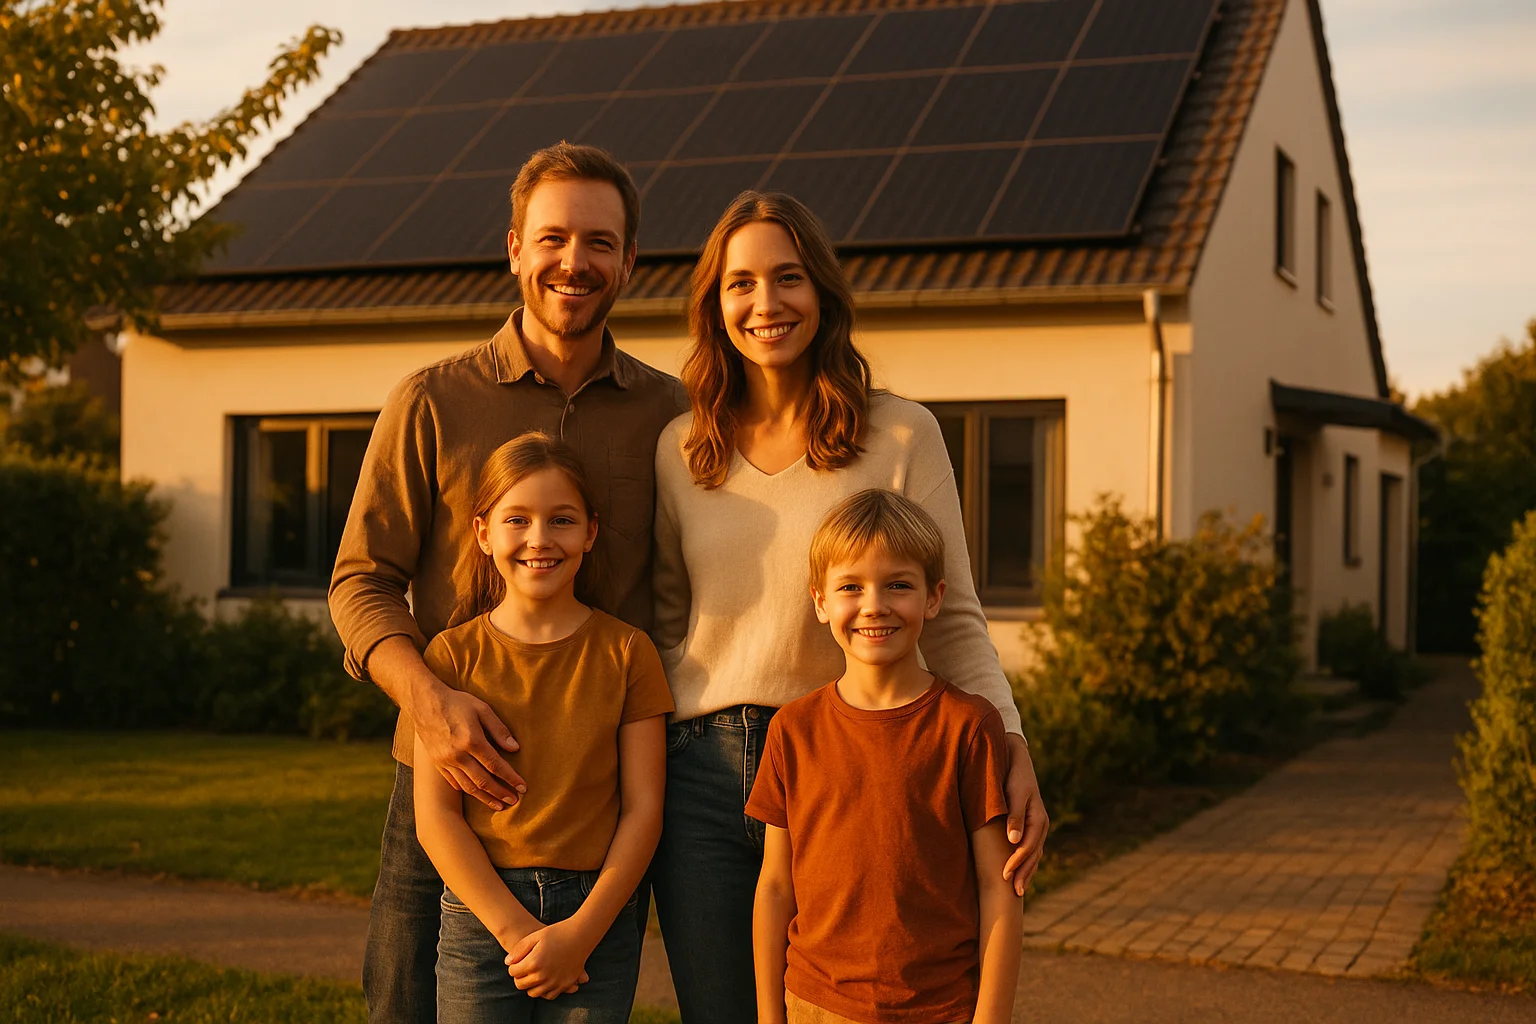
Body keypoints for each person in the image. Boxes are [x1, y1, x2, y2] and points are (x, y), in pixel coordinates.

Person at [650, 191, 1048, 1022]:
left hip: (856, 764)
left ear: (823, 292)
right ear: (714, 303)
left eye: (788, 278)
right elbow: (665, 624)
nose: (766, 304)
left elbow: (958, 613)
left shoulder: (900, 435)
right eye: (741, 283)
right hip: (701, 772)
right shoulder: (682, 447)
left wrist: (1009, 741)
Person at [329, 143, 685, 1024]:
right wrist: (430, 703)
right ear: (515, 249)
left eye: (600, 242)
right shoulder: (433, 401)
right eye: (553, 238)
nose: (576, 262)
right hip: (446, 782)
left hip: (597, 798)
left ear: (629, 261)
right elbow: (359, 580)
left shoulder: (672, 414)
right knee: (406, 1007)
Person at [414, 432, 671, 1023]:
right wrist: (514, 932)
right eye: (517, 519)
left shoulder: (629, 653)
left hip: (596, 918)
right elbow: (435, 818)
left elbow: (644, 811)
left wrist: (578, 936)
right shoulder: (450, 659)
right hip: (481, 919)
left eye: (561, 519)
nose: (539, 539)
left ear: (590, 531)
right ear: (483, 533)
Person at [748, 489, 1022, 1024]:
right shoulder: (793, 730)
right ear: (821, 601)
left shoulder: (969, 726)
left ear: (934, 597)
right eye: (851, 586)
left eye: (898, 584)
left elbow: (999, 888)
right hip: (815, 1005)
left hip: (940, 1008)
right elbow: (776, 886)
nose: (875, 604)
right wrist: (768, 1015)